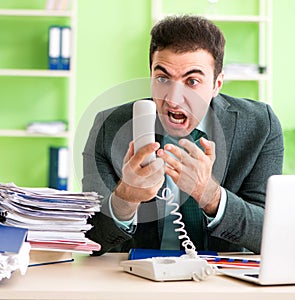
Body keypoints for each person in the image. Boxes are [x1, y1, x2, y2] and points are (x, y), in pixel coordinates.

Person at [82, 15, 284, 255]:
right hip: (135, 278)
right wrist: (125, 198)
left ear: (217, 84)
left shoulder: (261, 125)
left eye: (192, 81)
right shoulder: (109, 126)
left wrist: (210, 195)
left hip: (223, 281)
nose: (173, 98)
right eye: (163, 78)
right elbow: (90, 238)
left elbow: (271, 234)